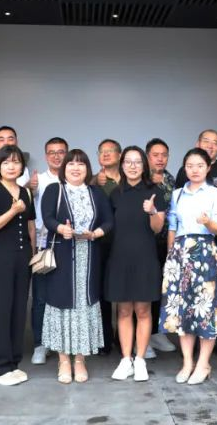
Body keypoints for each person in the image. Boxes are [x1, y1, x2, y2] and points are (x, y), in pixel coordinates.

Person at [41, 149, 114, 383]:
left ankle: (80, 360)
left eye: (81, 164)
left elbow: (108, 220)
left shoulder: (96, 192)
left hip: (88, 256)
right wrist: (60, 228)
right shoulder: (54, 190)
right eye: (71, 163)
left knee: (84, 304)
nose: (75, 168)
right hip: (61, 256)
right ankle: (63, 360)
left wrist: (96, 233)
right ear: (64, 168)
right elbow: (47, 217)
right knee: (62, 303)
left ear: (87, 169)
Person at [160, 147, 217, 385]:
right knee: (184, 310)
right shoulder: (177, 194)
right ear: (185, 168)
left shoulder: (215, 194)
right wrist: (170, 256)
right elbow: (172, 226)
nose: (195, 170)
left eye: (200, 165)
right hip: (180, 254)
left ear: (208, 168)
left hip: (205, 253)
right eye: (190, 166)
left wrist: (208, 222)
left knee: (206, 310)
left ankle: (203, 363)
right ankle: (188, 362)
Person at [173, 130, 217, 357]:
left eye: (215, 142)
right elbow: (174, 218)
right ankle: (190, 348)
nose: (210, 145)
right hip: (184, 248)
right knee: (187, 299)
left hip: (213, 244)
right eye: (206, 141)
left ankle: (213, 342)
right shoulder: (182, 179)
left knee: (211, 297)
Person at [107, 146, 167, 382]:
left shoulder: (155, 192)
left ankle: (140, 359)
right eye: (128, 162)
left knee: (143, 310)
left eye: (137, 162)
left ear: (144, 166)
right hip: (119, 257)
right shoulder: (115, 193)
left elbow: (158, 228)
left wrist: (152, 211)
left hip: (145, 258)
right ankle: (126, 359)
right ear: (122, 165)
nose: (132, 166)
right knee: (123, 310)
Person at [0, 145, 35, 386]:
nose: (11, 166)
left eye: (16, 162)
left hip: (23, 257)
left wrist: (33, 254)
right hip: (0, 257)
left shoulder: (26, 192)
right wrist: (13, 211)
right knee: (0, 310)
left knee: (18, 309)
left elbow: (31, 225)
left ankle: (13, 362)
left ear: (22, 166)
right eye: (6, 162)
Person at [32, 137, 68, 365]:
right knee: (40, 297)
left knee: (64, 294)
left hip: (68, 244)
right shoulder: (38, 181)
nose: (56, 156)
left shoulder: (73, 178)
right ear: (46, 156)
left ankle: (62, 341)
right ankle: (39, 344)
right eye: (52, 152)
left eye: (61, 152)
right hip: (43, 243)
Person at [146, 138, 178, 356]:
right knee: (144, 289)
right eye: (155, 155)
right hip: (144, 241)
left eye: (164, 155)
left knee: (160, 287)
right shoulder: (140, 178)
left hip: (165, 241)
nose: (160, 159)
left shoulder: (170, 179)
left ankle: (156, 332)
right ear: (147, 156)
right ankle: (142, 337)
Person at [92, 139, 121, 355]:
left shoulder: (129, 178)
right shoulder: (94, 180)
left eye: (110, 151)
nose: (106, 154)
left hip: (125, 241)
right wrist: (94, 181)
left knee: (124, 291)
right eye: (102, 151)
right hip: (101, 242)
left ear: (119, 155)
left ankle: (124, 337)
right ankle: (105, 338)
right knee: (102, 291)